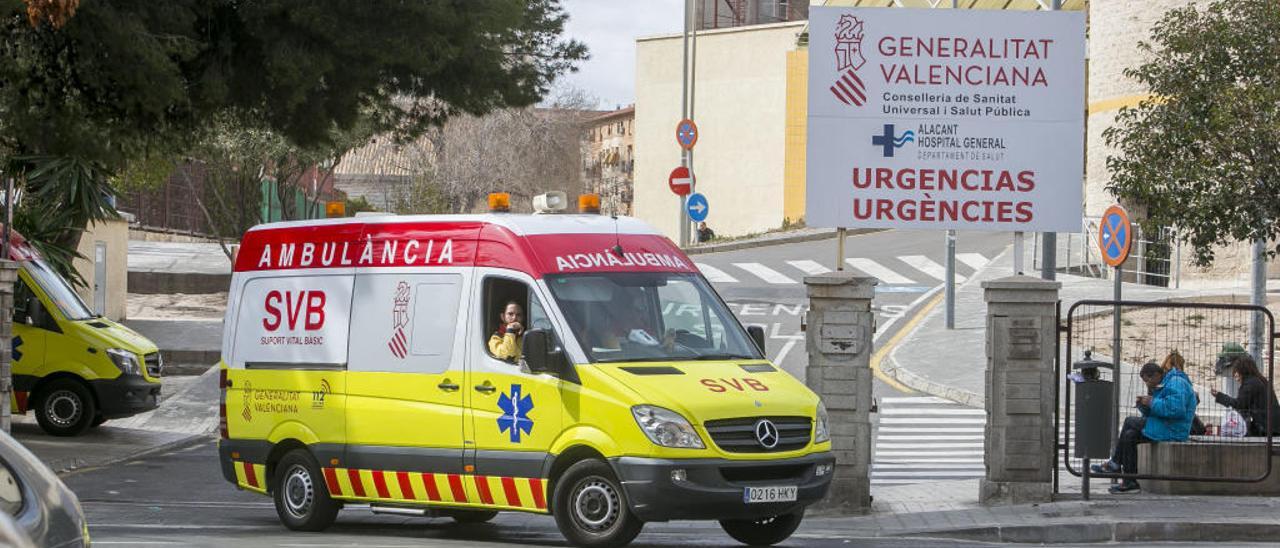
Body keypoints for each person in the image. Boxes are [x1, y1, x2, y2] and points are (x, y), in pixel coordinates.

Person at [1091, 362, 1197, 493]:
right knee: (1130, 435)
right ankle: (1130, 482)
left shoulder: (1176, 382)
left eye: (1148, 380)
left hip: (1173, 429)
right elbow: (1158, 411)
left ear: (1157, 375)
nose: (1148, 384)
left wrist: (1152, 401)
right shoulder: (1164, 384)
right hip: (1164, 425)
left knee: (1130, 421)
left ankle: (1115, 463)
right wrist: (1143, 405)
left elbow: (1176, 410)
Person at [1211, 355, 1280, 436]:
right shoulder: (1259, 380)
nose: (1235, 374)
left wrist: (1219, 396)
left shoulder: (1250, 384)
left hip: (1266, 427)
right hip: (1272, 425)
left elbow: (1239, 405)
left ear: (1242, 370)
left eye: (1236, 371)